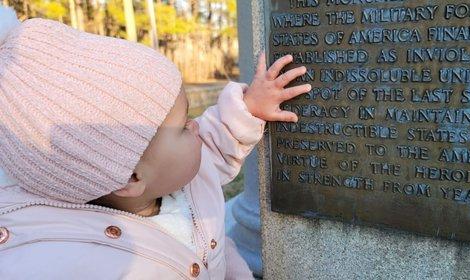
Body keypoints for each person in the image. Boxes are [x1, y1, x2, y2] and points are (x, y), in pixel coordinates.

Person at [0, 5, 310, 279]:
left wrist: (250, 107)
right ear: (130, 177)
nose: (195, 126)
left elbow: (217, 139)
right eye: (181, 127)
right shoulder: (64, 264)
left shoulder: (173, 174)